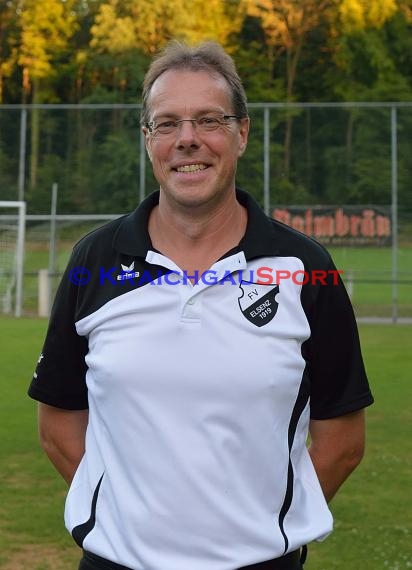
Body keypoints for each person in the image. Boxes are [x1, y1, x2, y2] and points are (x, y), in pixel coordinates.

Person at [29, 41, 374, 570]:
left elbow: (343, 439)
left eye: (208, 120)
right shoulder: (94, 260)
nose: (187, 140)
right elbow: (58, 421)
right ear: (148, 141)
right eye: (167, 124)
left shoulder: (308, 268)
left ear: (242, 132)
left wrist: (257, 530)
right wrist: (130, 518)